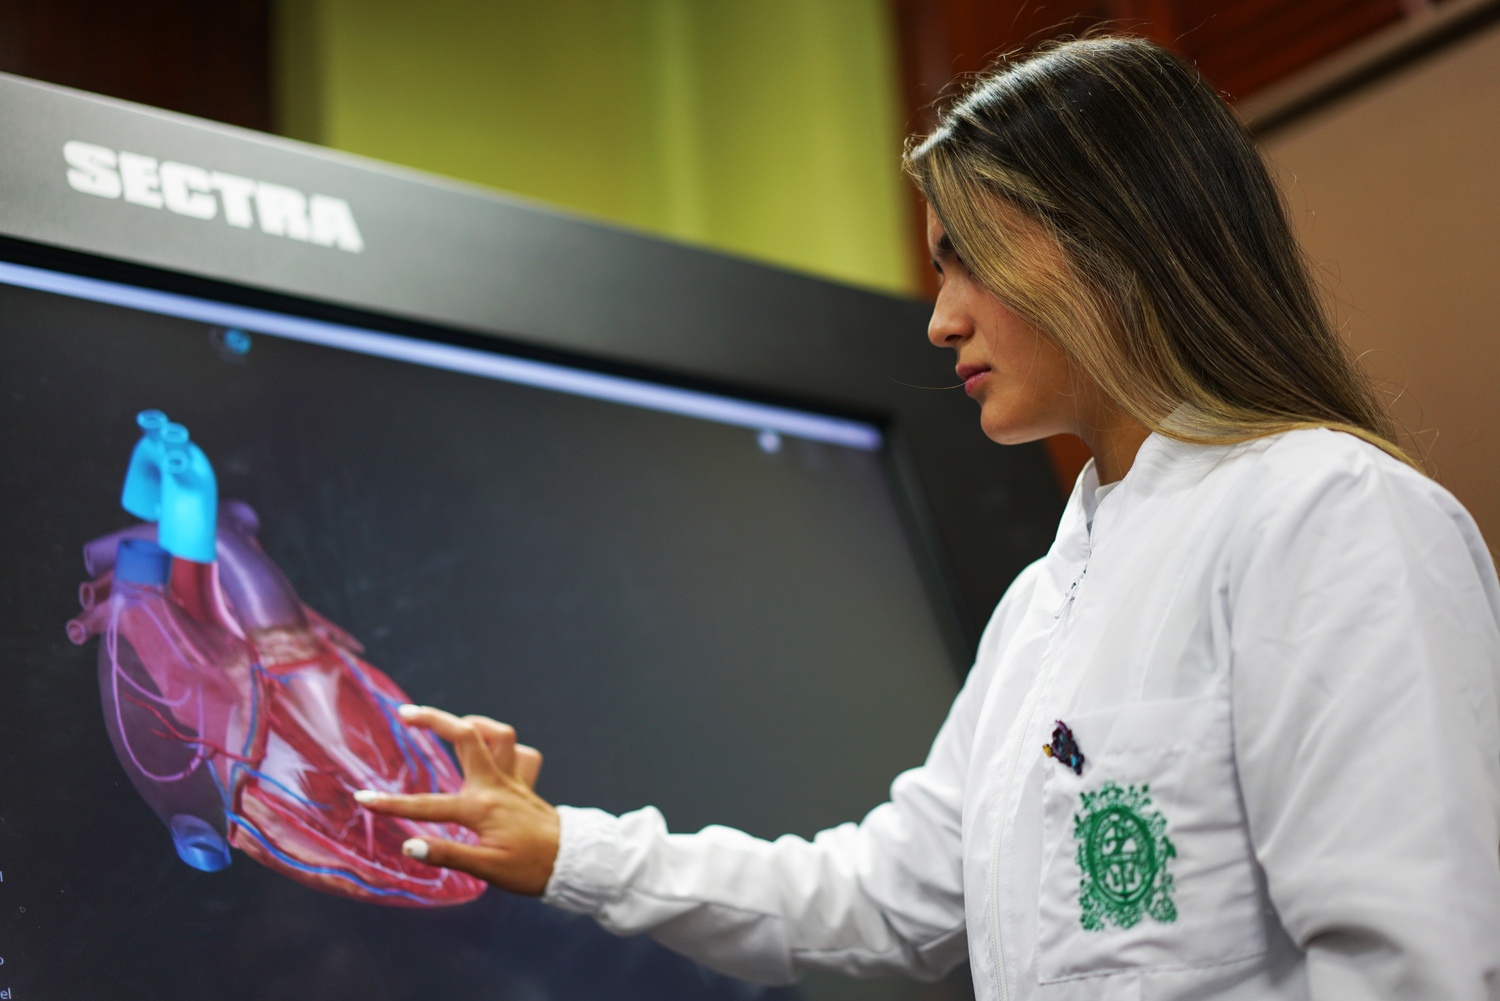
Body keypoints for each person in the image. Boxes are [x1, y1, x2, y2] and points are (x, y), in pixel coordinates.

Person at [349, 35, 1500, 1000]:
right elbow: (879, 898)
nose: (942, 318)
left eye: (969, 258)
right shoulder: (1044, 604)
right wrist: (566, 848)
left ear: (1116, 238)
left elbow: (1417, 965)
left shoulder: (1330, 515)